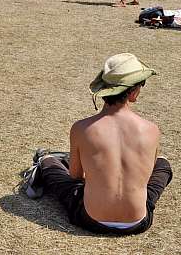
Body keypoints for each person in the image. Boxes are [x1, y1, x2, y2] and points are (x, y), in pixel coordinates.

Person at [20, 53, 172, 236]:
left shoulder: (81, 128)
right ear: (132, 92)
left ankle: (46, 161)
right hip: (137, 222)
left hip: (90, 218)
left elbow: (75, 176)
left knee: (50, 164)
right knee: (162, 164)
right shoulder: (151, 130)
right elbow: (146, 177)